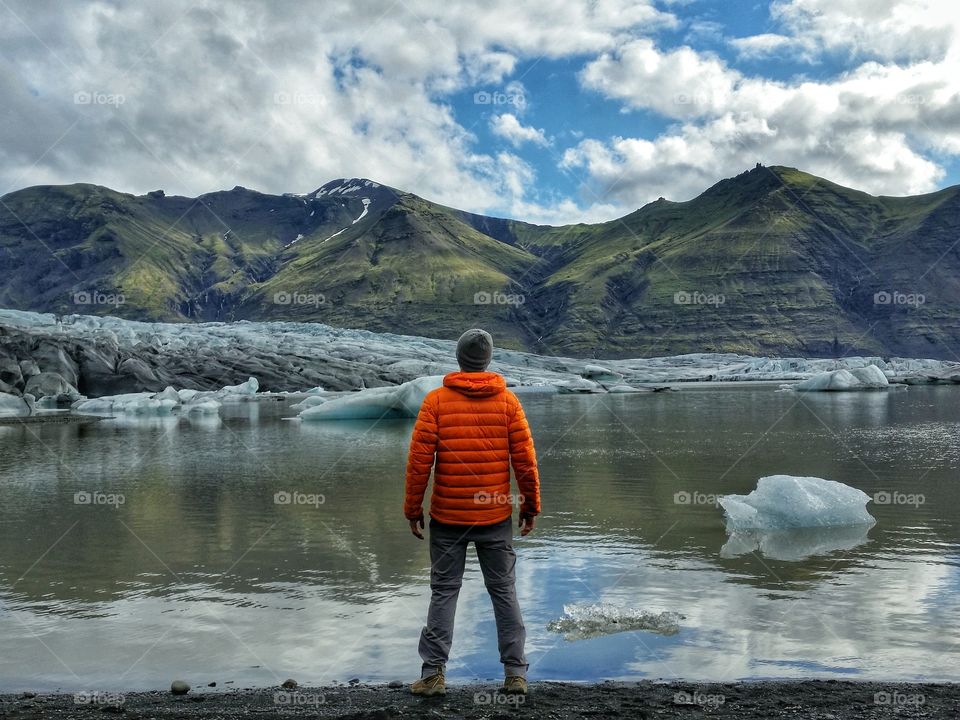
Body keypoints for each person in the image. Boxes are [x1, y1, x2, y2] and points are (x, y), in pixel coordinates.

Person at [404, 328, 541, 698]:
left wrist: (412, 508)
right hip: (495, 516)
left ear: (459, 358)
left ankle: (433, 675)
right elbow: (525, 462)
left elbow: (419, 463)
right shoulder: (508, 403)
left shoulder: (436, 401)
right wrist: (530, 505)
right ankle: (515, 675)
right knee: (503, 591)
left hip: (447, 518)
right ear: (489, 360)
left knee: (444, 592)